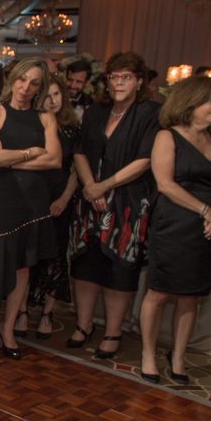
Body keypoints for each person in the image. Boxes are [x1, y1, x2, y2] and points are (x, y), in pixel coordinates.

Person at [0, 57, 61, 362]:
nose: (25, 87)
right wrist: (31, 152)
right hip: (2, 200)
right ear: (12, 80)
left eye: (33, 83)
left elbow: (55, 160)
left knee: (22, 268)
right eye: (21, 80)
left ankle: (7, 329)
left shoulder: (46, 118)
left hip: (33, 203)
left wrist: (11, 157)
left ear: (40, 87)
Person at [68, 52, 160, 359]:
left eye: (126, 77)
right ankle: (83, 325)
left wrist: (104, 186)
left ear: (139, 81)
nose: (118, 83)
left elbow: (145, 160)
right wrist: (91, 187)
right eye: (114, 77)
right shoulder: (97, 110)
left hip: (127, 202)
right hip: (90, 200)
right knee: (85, 264)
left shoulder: (149, 112)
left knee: (120, 268)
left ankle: (113, 330)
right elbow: (79, 150)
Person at [139, 76, 211, 383]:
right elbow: (165, 184)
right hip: (175, 222)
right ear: (191, 103)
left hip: (208, 227)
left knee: (191, 295)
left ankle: (178, 357)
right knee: (159, 292)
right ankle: (148, 354)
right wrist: (207, 211)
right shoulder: (167, 137)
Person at [15, 74, 80, 339]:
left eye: (57, 94)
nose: (52, 100)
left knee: (55, 258)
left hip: (59, 199)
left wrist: (64, 200)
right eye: (47, 95)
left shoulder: (71, 129)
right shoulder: (33, 125)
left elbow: (75, 170)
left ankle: (47, 314)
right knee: (26, 257)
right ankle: (21, 311)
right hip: (31, 197)